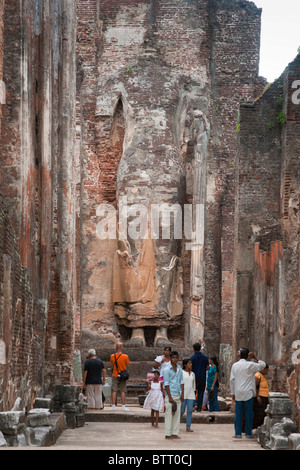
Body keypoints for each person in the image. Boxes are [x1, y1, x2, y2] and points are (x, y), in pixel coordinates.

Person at [230, 347, 266, 439]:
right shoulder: (250, 365)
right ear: (248, 355)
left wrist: (232, 393)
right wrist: (255, 357)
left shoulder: (235, 365)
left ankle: (238, 433)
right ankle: (248, 433)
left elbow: (232, 380)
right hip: (248, 392)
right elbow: (263, 365)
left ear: (240, 355)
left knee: (238, 414)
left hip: (238, 392)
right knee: (249, 413)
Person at [163, 351, 184, 440]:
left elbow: (181, 382)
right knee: (169, 415)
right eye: (173, 358)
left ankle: (175, 433)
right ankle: (168, 434)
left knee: (177, 415)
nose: (175, 359)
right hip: (170, 395)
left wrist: (182, 394)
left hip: (178, 394)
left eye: (176, 358)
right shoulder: (166, 370)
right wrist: (170, 396)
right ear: (170, 359)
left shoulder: (179, 369)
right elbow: (166, 384)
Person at [110, 343, 130, 411]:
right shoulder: (125, 356)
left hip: (115, 374)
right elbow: (127, 366)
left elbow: (112, 363)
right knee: (123, 390)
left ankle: (113, 406)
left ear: (116, 348)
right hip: (122, 375)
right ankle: (123, 406)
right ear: (121, 347)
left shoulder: (112, 356)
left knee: (114, 390)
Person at [190, 342, 209, 412]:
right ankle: (199, 408)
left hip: (194, 378)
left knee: (193, 392)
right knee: (201, 393)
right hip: (202, 377)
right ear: (200, 348)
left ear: (193, 349)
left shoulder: (192, 358)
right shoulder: (204, 357)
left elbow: (190, 367)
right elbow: (207, 367)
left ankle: (193, 406)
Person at [180, 358, 196, 432]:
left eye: (191, 363)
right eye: (189, 363)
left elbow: (194, 386)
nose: (191, 365)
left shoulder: (193, 374)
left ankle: (188, 426)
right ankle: (175, 424)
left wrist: (194, 395)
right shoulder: (181, 373)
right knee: (182, 410)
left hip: (191, 394)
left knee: (189, 411)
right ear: (185, 365)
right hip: (183, 394)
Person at [253, 364, 269, 429]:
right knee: (259, 415)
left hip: (264, 397)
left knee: (262, 414)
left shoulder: (261, 376)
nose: (267, 372)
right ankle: (255, 428)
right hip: (260, 397)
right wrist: (258, 397)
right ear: (263, 369)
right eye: (266, 370)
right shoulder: (258, 375)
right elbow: (254, 386)